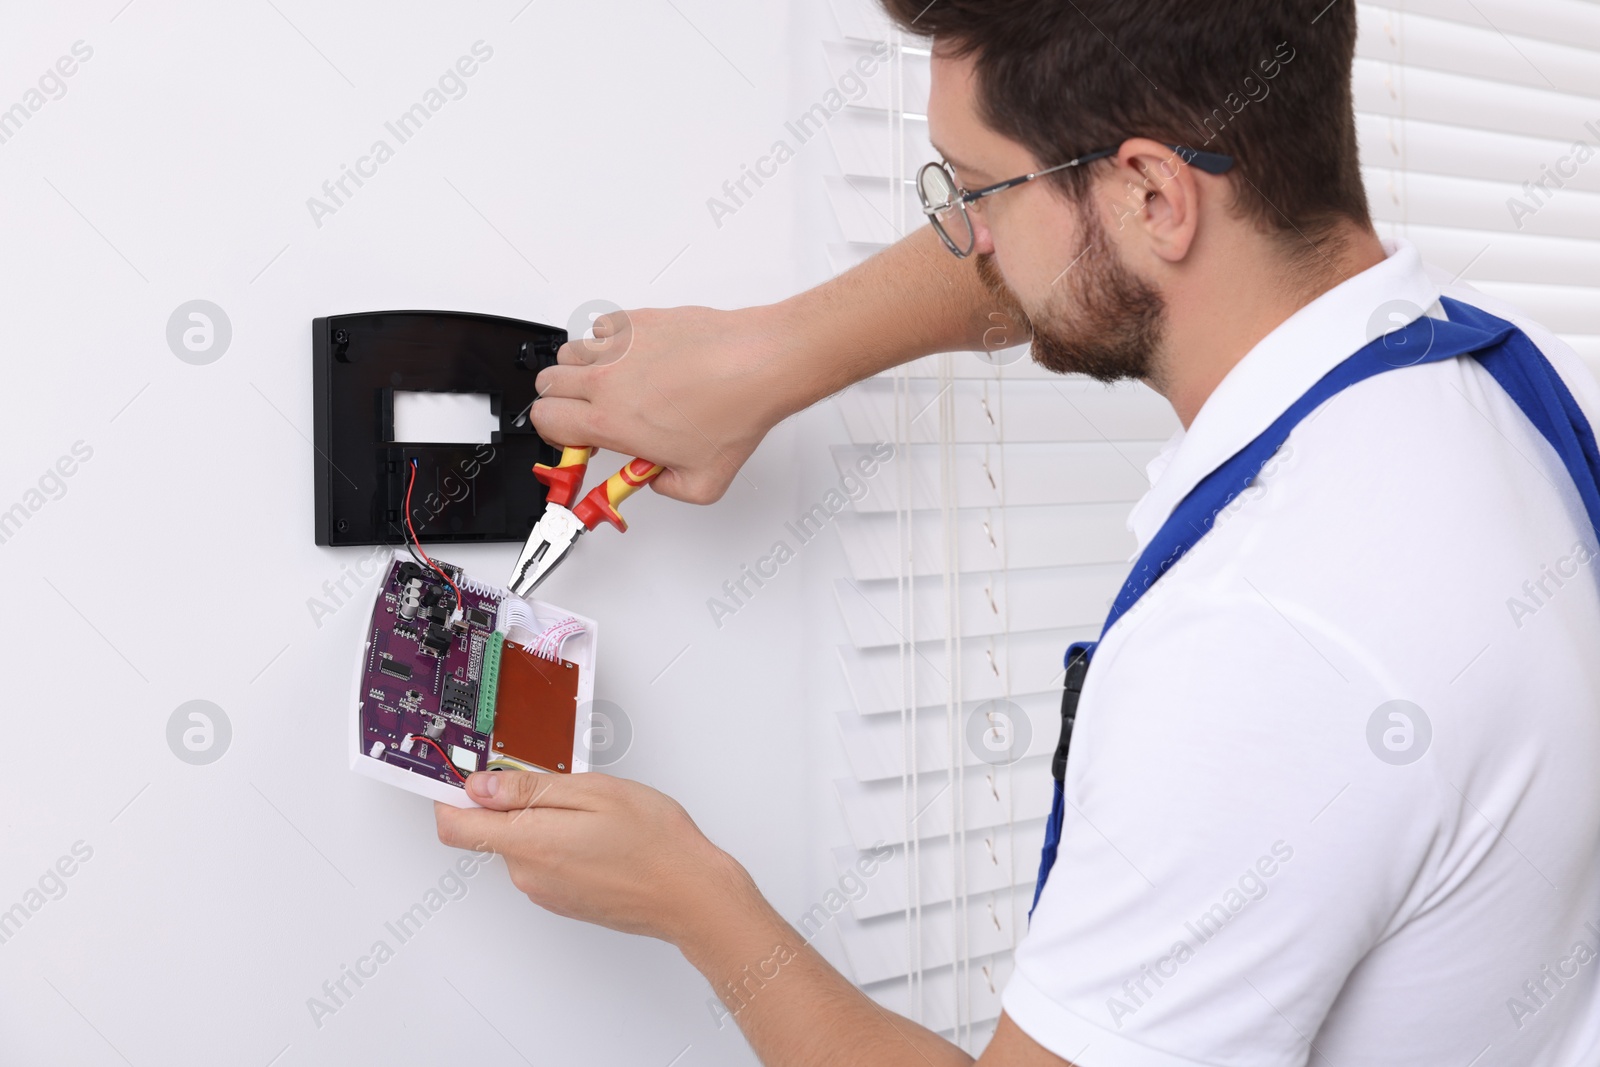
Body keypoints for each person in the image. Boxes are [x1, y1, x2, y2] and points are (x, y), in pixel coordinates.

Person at [437, 1, 1600, 1064]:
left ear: (1154, 194)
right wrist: (777, 355)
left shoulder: (1261, 647)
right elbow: (1079, 253)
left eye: (975, 188)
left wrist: (692, 898)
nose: (963, 238)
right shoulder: (1482, 377)